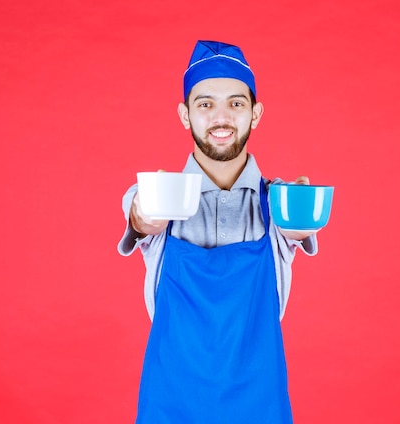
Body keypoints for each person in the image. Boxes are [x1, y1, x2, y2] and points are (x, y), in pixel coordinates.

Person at [118, 40, 321, 424]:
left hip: (259, 403)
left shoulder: (279, 203)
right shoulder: (158, 194)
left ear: (256, 114)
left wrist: (298, 219)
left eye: (236, 103)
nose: (221, 117)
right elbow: (140, 216)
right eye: (206, 103)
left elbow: (296, 230)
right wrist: (144, 214)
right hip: (171, 403)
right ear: (185, 114)